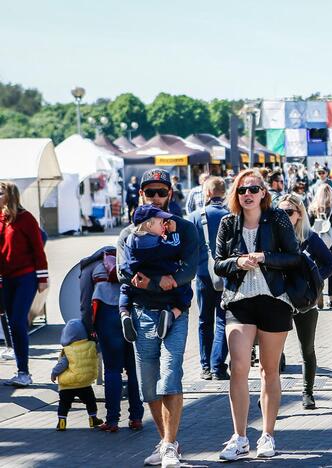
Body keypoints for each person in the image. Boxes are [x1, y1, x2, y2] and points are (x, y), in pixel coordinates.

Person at [213, 169, 301, 461]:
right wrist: (238, 261)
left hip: (274, 299)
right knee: (238, 366)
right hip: (239, 300)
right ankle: (239, 437)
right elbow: (218, 264)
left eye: (253, 189)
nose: (247, 194)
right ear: (235, 195)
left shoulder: (277, 219)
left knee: (268, 369)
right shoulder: (228, 223)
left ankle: (267, 435)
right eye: (241, 190)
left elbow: (294, 256)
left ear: (264, 192)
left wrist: (265, 258)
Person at [116, 169, 198, 467]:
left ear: (170, 194)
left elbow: (190, 268)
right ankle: (168, 443)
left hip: (174, 313)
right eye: (149, 192)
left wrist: (168, 281)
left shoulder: (185, 229)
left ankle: (168, 445)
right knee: (148, 385)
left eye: (161, 192)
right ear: (141, 195)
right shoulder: (128, 233)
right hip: (140, 313)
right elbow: (124, 272)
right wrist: (157, 282)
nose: (156, 197)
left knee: (170, 374)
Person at [277, 194, 332, 410]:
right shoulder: (272, 238)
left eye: (289, 212)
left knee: (307, 349)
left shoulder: (309, 238)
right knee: (272, 352)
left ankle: (307, 392)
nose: (284, 216)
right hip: (279, 302)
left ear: (299, 214)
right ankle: (270, 393)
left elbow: (331, 263)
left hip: (304, 304)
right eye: (280, 212)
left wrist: (314, 280)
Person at [80, 246, 144, 433]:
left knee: (112, 369)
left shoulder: (89, 267)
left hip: (107, 317)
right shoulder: (127, 261)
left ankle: (112, 420)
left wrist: (90, 330)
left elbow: (85, 304)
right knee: (134, 369)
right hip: (131, 314)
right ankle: (136, 418)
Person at [119, 205, 193, 343]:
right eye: (160, 223)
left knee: (125, 290)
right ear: (149, 224)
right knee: (186, 294)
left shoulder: (130, 241)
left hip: (138, 279)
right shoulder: (158, 243)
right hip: (163, 275)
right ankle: (171, 315)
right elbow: (174, 246)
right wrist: (173, 232)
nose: (163, 225)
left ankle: (124, 314)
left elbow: (125, 264)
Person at [0, 181, 48, 388]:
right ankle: (20, 371)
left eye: (0, 192)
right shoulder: (1, 219)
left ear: (10, 195)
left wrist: (42, 278)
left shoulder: (25, 218)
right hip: (5, 279)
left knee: (18, 321)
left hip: (26, 277)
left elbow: (38, 248)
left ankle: (24, 373)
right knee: (11, 322)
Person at [188, 177, 231, 380]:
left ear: (206, 193)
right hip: (227, 275)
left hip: (203, 274)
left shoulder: (195, 217)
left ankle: (205, 365)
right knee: (223, 320)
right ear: (224, 193)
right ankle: (218, 365)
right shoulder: (231, 215)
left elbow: (189, 249)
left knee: (205, 321)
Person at [51, 319, 102, 431]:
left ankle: (62, 421)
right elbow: (100, 347)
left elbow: (62, 365)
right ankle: (93, 418)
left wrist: (54, 373)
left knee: (64, 404)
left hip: (68, 385)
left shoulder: (68, 350)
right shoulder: (92, 345)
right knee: (90, 401)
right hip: (85, 383)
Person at [308, 183, 332, 309]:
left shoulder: (312, 208)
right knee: (331, 268)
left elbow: (309, 226)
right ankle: (331, 300)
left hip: (316, 243)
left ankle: (318, 293)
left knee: (315, 269)